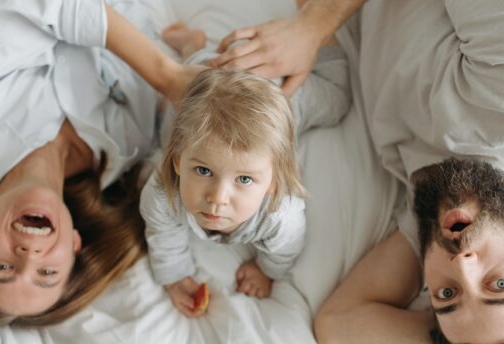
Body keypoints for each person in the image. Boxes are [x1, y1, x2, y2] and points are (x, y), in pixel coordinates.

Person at [212, 0, 504, 344]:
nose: (462, 263)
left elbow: (338, 329)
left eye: (448, 295)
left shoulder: (442, 218)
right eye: (501, 285)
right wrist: (314, 24)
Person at [0, 0, 201, 325]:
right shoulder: (128, 149)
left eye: (0, 267)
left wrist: (168, 76)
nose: (28, 257)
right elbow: (190, 147)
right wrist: (189, 53)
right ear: (73, 243)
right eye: (47, 273)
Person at [139, 23, 349, 316]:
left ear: (273, 181)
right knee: (183, 91)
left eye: (244, 179)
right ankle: (193, 46)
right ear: (177, 161)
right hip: (204, 86)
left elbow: (285, 249)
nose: (217, 197)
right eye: (203, 172)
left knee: (339, 97)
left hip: (280, 92)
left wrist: (266, 270)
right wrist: (174, 276)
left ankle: (316, 33)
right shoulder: (163, 192)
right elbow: (162, 234)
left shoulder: (280, 215)